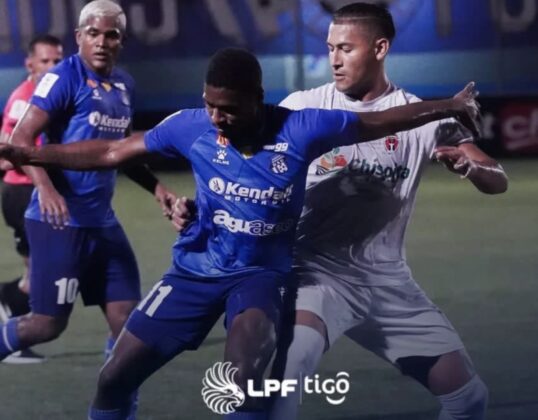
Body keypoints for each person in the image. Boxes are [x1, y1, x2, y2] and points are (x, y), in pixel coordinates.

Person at [0, 47, 481, 420]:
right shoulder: (190, 127)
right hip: (194, 272)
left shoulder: (303, 128)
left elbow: (378, 121)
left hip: (258, 277)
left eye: (227, 108)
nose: (216, 117)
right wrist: (32, 155)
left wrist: (448, 107)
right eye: (209, 104)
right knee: (113, 379)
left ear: (256, 97)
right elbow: (112, 152)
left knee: (243, 380)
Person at [264, 4, 508, 420]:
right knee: (290, 371)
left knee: (469, 398)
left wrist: (471, 168)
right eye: (330, 48)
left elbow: (497, 178)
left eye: (346, 48)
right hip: (316, 275)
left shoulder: (424, 116)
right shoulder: (304, 106)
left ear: (379, 48)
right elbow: (253, 169)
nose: (334, 59)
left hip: (386, 282)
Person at [0, 0, 175, 412]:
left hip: (102, 223)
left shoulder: (125, 85)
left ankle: (112, 412)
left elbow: (121, 151)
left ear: (121, 41)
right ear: (79, 37)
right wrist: (46, 188)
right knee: (46, 326)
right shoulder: (62, 78)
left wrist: (157, 188)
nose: (101, 41)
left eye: (111, 34)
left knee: (128, 324)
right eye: (93, 33)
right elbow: (20, 142)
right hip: (58, 222)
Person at [0, 34, 64, 364]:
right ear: (30, 64)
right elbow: (6, 156)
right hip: (23, 193)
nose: (53, 67)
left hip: (36, 192)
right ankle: (10, 319)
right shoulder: (23, 99)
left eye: (57, 61)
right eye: (45, 61)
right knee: (41, 275)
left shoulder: (53, 97)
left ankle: (9, 312)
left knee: (39, 273)